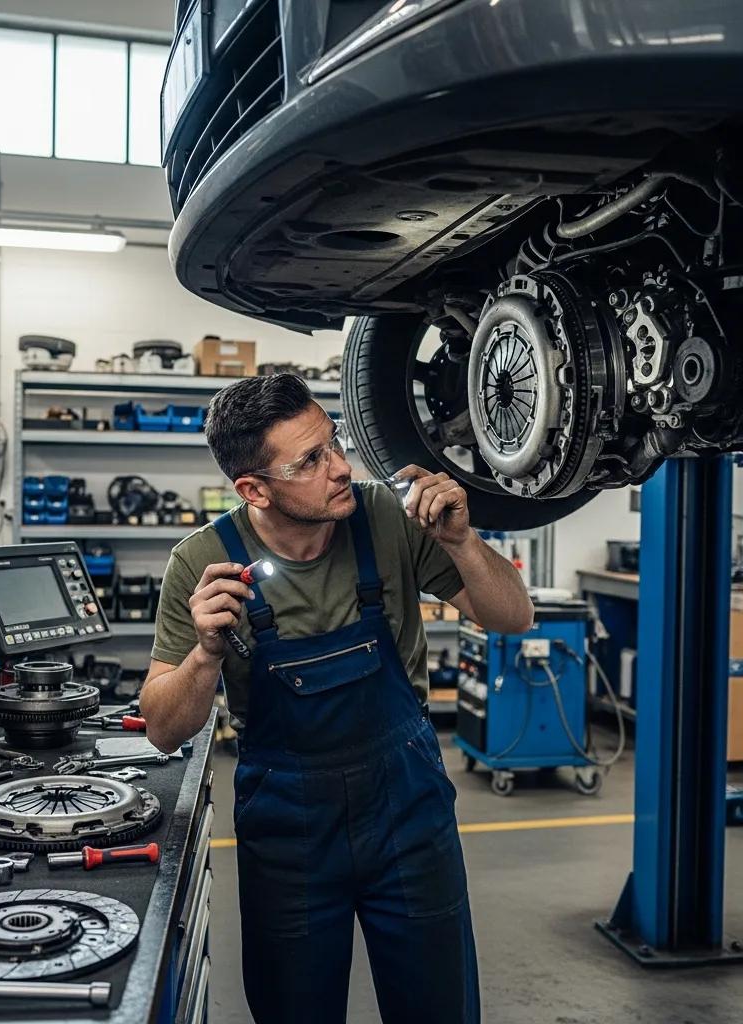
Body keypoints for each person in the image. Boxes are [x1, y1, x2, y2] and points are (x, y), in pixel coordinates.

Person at [139, 373, 534, 1024]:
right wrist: (205, 653)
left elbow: (513, 616)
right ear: (253, 489)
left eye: (335, 443)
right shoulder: (201, 561)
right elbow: (162, 728)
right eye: (311, 460)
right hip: (290, 836)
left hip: (409, 818)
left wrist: (463, 542)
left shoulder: (388, 519)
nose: (341, 467)